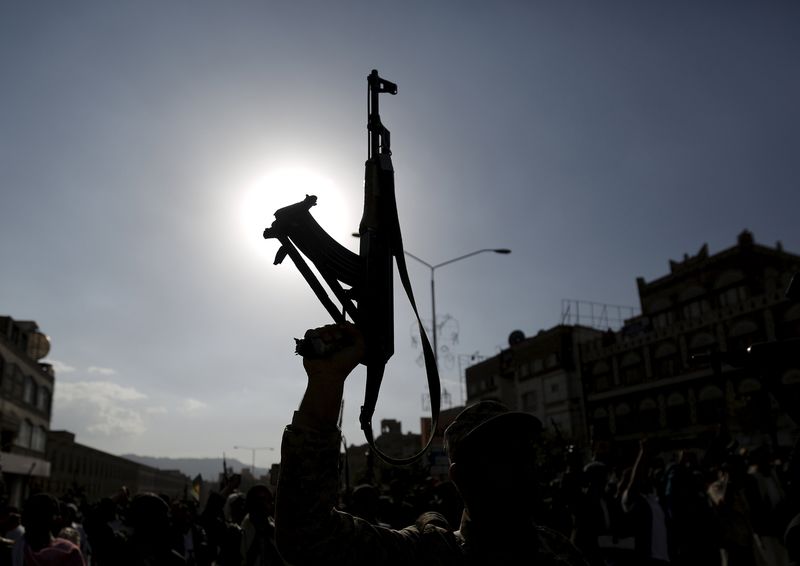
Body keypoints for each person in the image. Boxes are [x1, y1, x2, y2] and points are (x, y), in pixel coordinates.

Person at [274, 322, 590, 566]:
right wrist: (326, 381)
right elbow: (307, 535)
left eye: (525, 453)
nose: (523, 467)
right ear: (462, 477)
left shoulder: (559, 550)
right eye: (501, 456)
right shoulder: (429, 555)